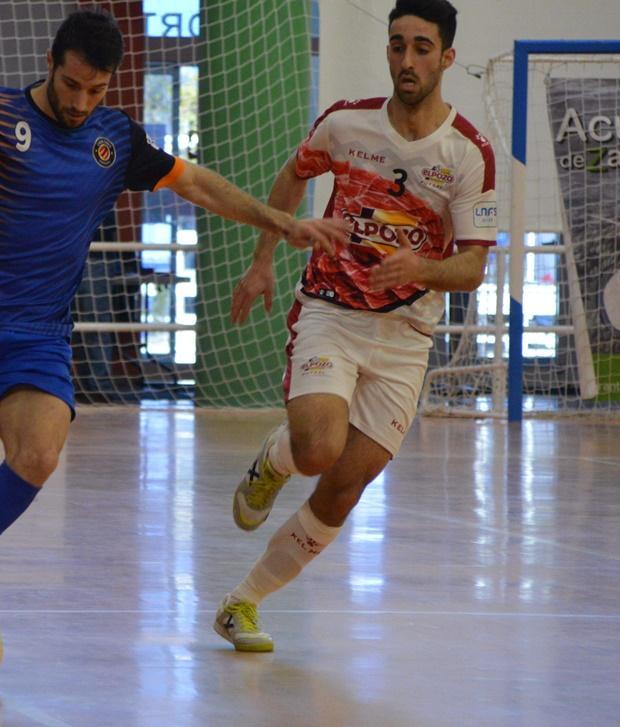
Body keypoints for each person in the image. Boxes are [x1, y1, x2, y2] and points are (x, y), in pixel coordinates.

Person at [0, 9, 348, 644]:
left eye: (95, 90)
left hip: (38, 333)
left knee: (39, 455)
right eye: (72, 86)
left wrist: (279, 222)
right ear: (52, 63)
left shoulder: (115, 139)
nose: (80, 102)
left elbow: (197, 184)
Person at [215, 0, 496, 652]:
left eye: (422, 48)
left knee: (343, 487)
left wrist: (423, 266)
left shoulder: (466, 153)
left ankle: (242, 604)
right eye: (398, 45)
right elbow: (292, 175)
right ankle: (275, 459)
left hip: (405, 339)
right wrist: (262, 261)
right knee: (317, 448)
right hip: (332, 311)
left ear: (447, 58)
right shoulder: (346, 124)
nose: (407, 59)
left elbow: (474, 267)